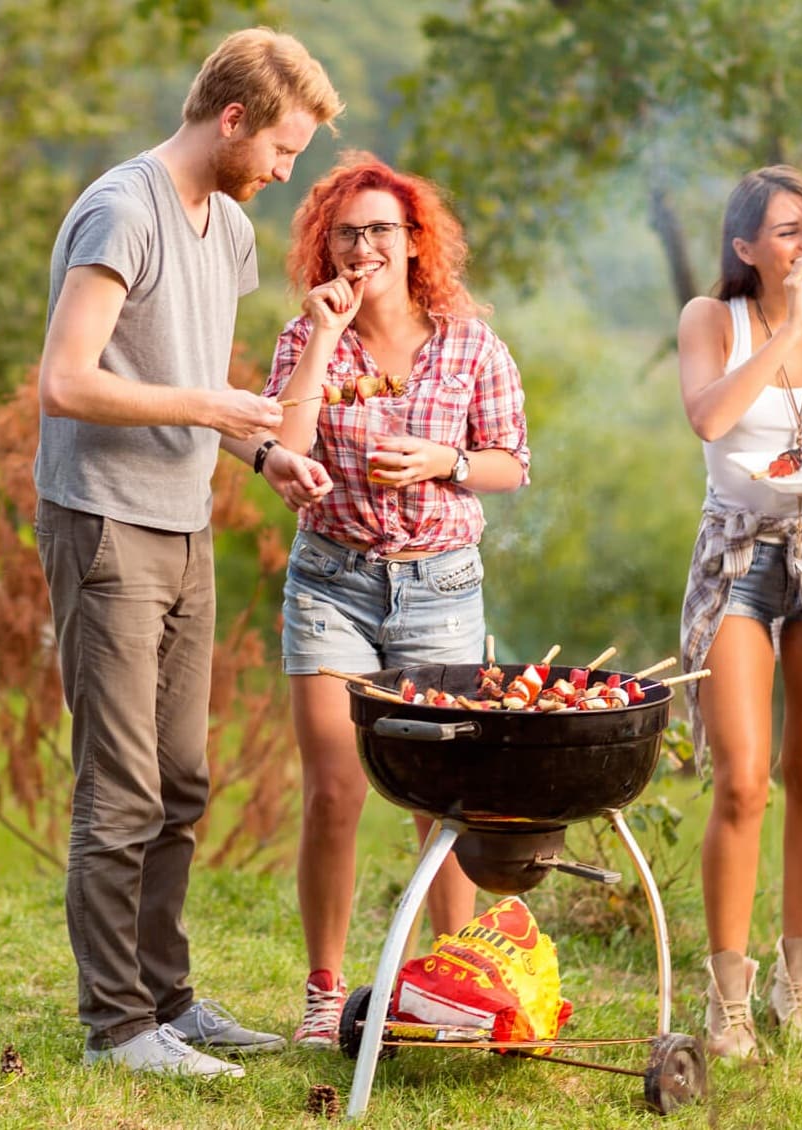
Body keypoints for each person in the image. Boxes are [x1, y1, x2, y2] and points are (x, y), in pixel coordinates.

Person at [33, 28, 342, 1079]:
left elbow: (191, 379)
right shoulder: (124, 209)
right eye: (283, 150)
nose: (284, 172)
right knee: (118, 784)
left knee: (181, 777)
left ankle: (169, 1000)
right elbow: (67, 381)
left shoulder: (230, 231)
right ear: (233, 119)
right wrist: (210, 403)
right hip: (103, 516)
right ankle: (117, 1025)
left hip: (183, 518)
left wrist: (258, 452)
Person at [262, 152, 531, 1048]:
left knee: (441, 798)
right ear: (325, 245)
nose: (364, 245)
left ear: (414, 242)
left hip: (440, 585)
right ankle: (324, 992)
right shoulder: (307, 336)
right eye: (348, 232)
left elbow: (509, 462)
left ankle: (446, 990)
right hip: (331, 579)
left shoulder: (468, 341)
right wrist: (325, 337)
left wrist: (442, 461)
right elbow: (283, 448)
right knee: (335, 788)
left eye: (381, 229)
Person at [676, 165, 802, 1061]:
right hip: (736, 558)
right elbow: (710, 421)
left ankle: (800, 994)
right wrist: (786, 325)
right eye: (788, 232)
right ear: (746, 247)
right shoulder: (711, 319)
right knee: (741, 778)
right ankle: (727, 1002)